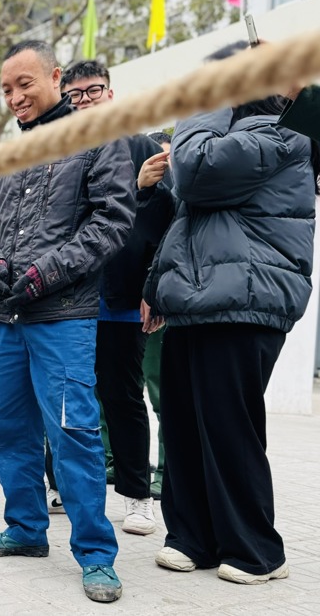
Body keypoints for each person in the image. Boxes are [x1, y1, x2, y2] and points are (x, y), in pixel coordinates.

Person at [143, 41, 318, 585]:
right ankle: (193, 537)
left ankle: (257, 551)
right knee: (183, 423)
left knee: (226, 425)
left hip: (245, 301)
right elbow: (187, 221)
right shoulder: (234, 136)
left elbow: (192, 173)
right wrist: (156, 287)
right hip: (198, 300)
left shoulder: (279, 136)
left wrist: (205, 100)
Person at [0, 40, 135, 603]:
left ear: (57, 78)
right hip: (6, 317)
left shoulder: (97, 138)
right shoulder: (4, 154)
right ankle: (25, 529)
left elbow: (113, 221)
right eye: (6, 89)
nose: (15, 97)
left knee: (74, 433)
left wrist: (45, 273)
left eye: (25, 84)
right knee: (11, 430)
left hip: (62, 315)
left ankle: (95, 553)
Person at [61, 60, 174, 535]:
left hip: (125, 298)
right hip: (68, 297)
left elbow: (168, 222)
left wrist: (155, 289)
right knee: (66, 395)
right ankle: (59, 484)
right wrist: (135, 186)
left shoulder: (144, 147)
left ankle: (136, 495)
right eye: (75, 94)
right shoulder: (58, 150)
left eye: (93, 90)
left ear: (111, 93)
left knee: (123, 396)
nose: (85, 100)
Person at [141, 130, 173, 500]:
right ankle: (115, 460)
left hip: (166, 309)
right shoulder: (137, 198)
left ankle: (165, 471)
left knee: (164, 397)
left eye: (168, 160)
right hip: (129, 308)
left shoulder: (182, 198)